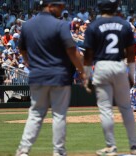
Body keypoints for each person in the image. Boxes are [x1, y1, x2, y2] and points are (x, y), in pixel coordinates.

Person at [15, 1, 85, 156]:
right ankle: (59, 151)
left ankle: (23, 150)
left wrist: (28, 62)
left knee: (35, 114)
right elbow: (72, 51)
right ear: (50, 6)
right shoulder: (60, 25)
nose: (62, 9)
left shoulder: (28, 25)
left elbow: (21, 48)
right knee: (59, 115)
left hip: (38, 75)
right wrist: (83, 71)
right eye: (59, 6)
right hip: (58, 76)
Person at [83, 0, 136, 155]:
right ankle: (134, 146)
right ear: (116, 7)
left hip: (101, 66)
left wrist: (86, 75)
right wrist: (131, 73)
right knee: (126, 108)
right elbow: (130, 52)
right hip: (119, 65)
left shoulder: (93, 26)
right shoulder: (124, 25)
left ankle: (111, 146)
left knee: (106, 109)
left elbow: (88, 54)